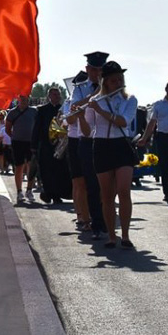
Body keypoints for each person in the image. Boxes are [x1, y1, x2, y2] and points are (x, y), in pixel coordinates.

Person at [78, 61, 139, 249]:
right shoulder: (95, 100)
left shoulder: (130, 100)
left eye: (120, 79)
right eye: (113, 80)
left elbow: (123, 122)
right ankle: (112, 236)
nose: (118, 83)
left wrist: (100, 110)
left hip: (121, 145)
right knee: (107, 195)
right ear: (105, 82)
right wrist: (79, 115)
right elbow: (87, 131)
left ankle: (126, 235)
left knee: (123, 190)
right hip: (102, 146)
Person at [67, 51, 108, 239]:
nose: (97, 73)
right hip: (79, 138)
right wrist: (94, 96)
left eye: (100, 70)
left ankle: (100, 217)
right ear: (88, 69)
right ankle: (85, 218)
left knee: (101, 182)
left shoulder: (110, 88)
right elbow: (73, 111)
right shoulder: (80, 89)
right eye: (94, 69)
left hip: (101, 138)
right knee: (82, 182)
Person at [138, 81, 168, 202]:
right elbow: (152, 123)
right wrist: (144, 138)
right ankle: (167, 192)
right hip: (162, 136)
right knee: (164, 164)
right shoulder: (158, 105)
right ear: (166, 89)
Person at [62, 71, 91, 231]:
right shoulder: (69, 101)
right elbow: (70, 120)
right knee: (78, 182)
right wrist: (88, 100)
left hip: (90, 138)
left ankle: (90, 212)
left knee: (89, 182)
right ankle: (80, 214)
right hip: (74, 139)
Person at [31, 87, 71, 204]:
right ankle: (49, 193)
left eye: (58, 94)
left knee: (60, 170)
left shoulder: (63, 110)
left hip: (60, 146)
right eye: (54, 94)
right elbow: (37, 128)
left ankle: (58, 194)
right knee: (46, 170)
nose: (57, 96)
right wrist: (34, 145)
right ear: (49, 96)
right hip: (46, 145)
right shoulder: (42, 110)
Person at [5, 93, 38, 203]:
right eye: (22, 99)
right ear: (18, 100)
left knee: (31, 166)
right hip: (17, 142)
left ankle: (29, 190)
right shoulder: (12, 113)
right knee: (19, 166)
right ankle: (19, 191)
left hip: (31, 142)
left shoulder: (34, 111)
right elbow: (8, 128)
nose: (24, 101)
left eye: (26, 99)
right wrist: (14, 137)